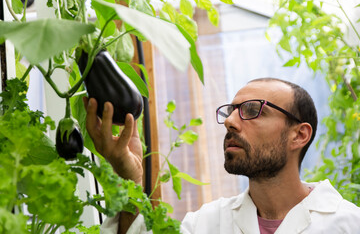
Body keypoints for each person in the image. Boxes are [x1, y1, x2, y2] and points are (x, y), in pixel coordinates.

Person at [83, 78, 360, 234]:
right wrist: (128, 178)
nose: (230, 122)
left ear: (299, 135)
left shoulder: (347, 224)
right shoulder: (205, 224)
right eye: (231, 111)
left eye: (253, 110)